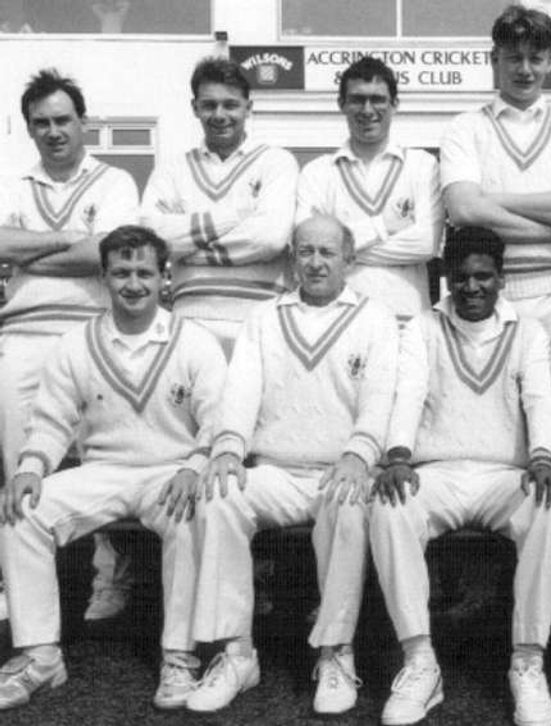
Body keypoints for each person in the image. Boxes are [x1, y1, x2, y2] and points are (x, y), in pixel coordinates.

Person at [0, 225, 225, 710]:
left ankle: (179, 656)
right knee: (21, 511)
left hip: (170, 472)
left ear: (165, 277)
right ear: (103, 276)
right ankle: (40, 655)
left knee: (190, 516)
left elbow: (217, 422)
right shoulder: (75, 343)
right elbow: (51, 423)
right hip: (102, 472)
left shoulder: (195, 340)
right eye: (121, 272)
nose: (133, 284)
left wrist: (196, 464)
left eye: (144, 272)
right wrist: (31, 468)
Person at [186, 215, 399, 715]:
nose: (316, 262)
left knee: (348, 504)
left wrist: (358, 454)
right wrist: (228, 449)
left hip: (340, 470)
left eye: (327, 252)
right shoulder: (263, 317)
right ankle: (236, 652)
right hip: (275, 470)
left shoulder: (376, 318)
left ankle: (336, 653)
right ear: (292, 258)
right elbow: (240, 391)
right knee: (218, 494)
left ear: (349, 259)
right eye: (306, 251)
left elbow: (381, 399)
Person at [368, 227, 551, 726]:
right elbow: (409, 392)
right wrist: (397, 455)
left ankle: (528, 662)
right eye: (461, 278)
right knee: (388, 505)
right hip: (437, 473)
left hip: (506, 476)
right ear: (447, 282)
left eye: (484, 277)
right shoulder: (421, 328)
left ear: (501, 279)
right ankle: (420, 662)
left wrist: (544, 458)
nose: (472, 287)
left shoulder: (530, 332)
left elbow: (540, 400)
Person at [0, 68, 139, 624]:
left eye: (63, 120)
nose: (54, 131)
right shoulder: (14, 183)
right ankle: (25, 580)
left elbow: (107, 253)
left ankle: (113, 578)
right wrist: (69, 239)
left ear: (84, 123)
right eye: (42, 123)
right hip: (22, 333)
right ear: (29, 129)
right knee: (20, 460)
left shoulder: (114, 182)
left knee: (103, 455)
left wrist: (25, 251)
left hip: (92, 332)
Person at [440, 4, 551, 333]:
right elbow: (465, 210)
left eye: (536, 58)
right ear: (494, 59)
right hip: (490, 294)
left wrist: (494, 200)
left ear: (550, 62)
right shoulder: (466, 127)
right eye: (514, 57)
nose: (525, 70)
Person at [141, 56, 298, 357]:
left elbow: (270, 239)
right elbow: (150, 238)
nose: (220, 114)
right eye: (209, 105)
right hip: (188, 318)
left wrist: (188, 247)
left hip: (260, 318)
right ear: (194, 108)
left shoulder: (276, 162)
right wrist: (239, 214)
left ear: (248, 108)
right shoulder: (172, 169)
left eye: (230, 104)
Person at [296, 56, 442, 326]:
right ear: (341, 105)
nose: (367, 109)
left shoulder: (422, 165)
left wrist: (337, 249)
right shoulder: (317, 172)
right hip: (335, 319)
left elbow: (426, 244)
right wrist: (383, 226)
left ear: (394, 104)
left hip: (407, 320)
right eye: (357, 99)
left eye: (377, 99)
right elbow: (306, 248)